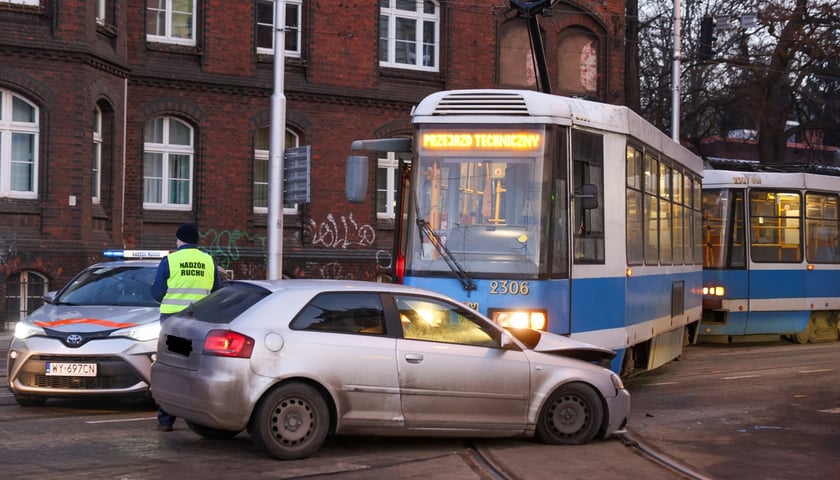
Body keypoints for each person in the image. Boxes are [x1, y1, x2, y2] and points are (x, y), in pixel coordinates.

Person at [150, 223, 222, 432]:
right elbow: (217, 291)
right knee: (198, 369)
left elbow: (157, 293)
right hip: (200, 323)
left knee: (172, 368)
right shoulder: (208, 261)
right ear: (197, 240)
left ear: (179, 240)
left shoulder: (170, 260)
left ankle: (165, 420)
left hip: (173, 324)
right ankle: (202, 416)